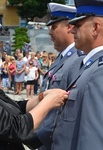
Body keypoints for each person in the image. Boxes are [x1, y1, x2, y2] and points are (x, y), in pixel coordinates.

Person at [51, 0, 103, 149]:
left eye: (78, 25)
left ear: (95, 28)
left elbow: (93, 140)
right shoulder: (87, 66)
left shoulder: (99, 71)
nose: (72, 30)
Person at [35, 3, 85, 150]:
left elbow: (65, 112)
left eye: (54, 27)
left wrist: (36, 137)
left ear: (69, 27)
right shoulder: (63, 58)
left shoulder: (77, 59)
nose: (50, 32)